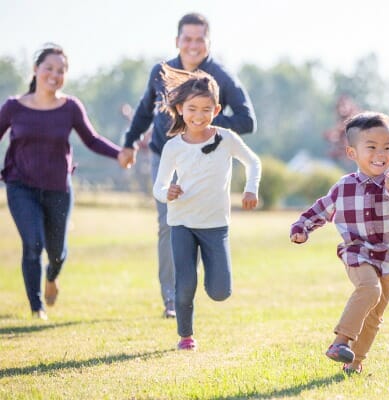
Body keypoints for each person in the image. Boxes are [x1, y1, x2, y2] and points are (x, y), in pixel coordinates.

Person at [118, 12, 257, 318]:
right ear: (177, 41)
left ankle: (200, 281)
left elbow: (248, 120)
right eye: (187, 39)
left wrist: (200, 119)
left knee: (197, 223)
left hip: (206, 159)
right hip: (163, 154)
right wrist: (128, 143)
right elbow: (143, 111)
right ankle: (173, 298)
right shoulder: (161, 71)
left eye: (199, 39)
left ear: (208, 43)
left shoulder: (220, 76)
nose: (193, 45)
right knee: (169, 222)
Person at [290, 111, 389, 374]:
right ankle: (340, 341)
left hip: (388, 259)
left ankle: (355, 363)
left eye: (387, 147)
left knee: (374, 317)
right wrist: (301, 228)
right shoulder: (344, 187)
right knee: (368, 289)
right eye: (372, 147)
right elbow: (321, 210)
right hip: (358, 253)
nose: (381, 154)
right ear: (352, 153)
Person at [0, 43, 126, 320]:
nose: (54, 75)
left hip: (58, 188)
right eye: (49, 68)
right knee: (33, 245)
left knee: (58, 253)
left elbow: (91, 140)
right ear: (36, 70)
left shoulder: (70, 107)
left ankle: (52, 276)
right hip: (21, 186)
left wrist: (119, 154)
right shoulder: (12, 107)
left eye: (61, 70)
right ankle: (37, 308)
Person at [152, 65, 261, 351]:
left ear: (217, 109)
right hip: (182, 223)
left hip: (215, 226)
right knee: (185, 284)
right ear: (179, 108)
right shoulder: (173, 146)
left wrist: (251, 189)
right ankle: (186, 336)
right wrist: (168, 192)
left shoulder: (225, 138)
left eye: (206, 109)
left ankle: (209, 285)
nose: (198, 116)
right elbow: (158, 187)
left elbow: (253, 162)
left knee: (220, 292)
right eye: (192, 109)